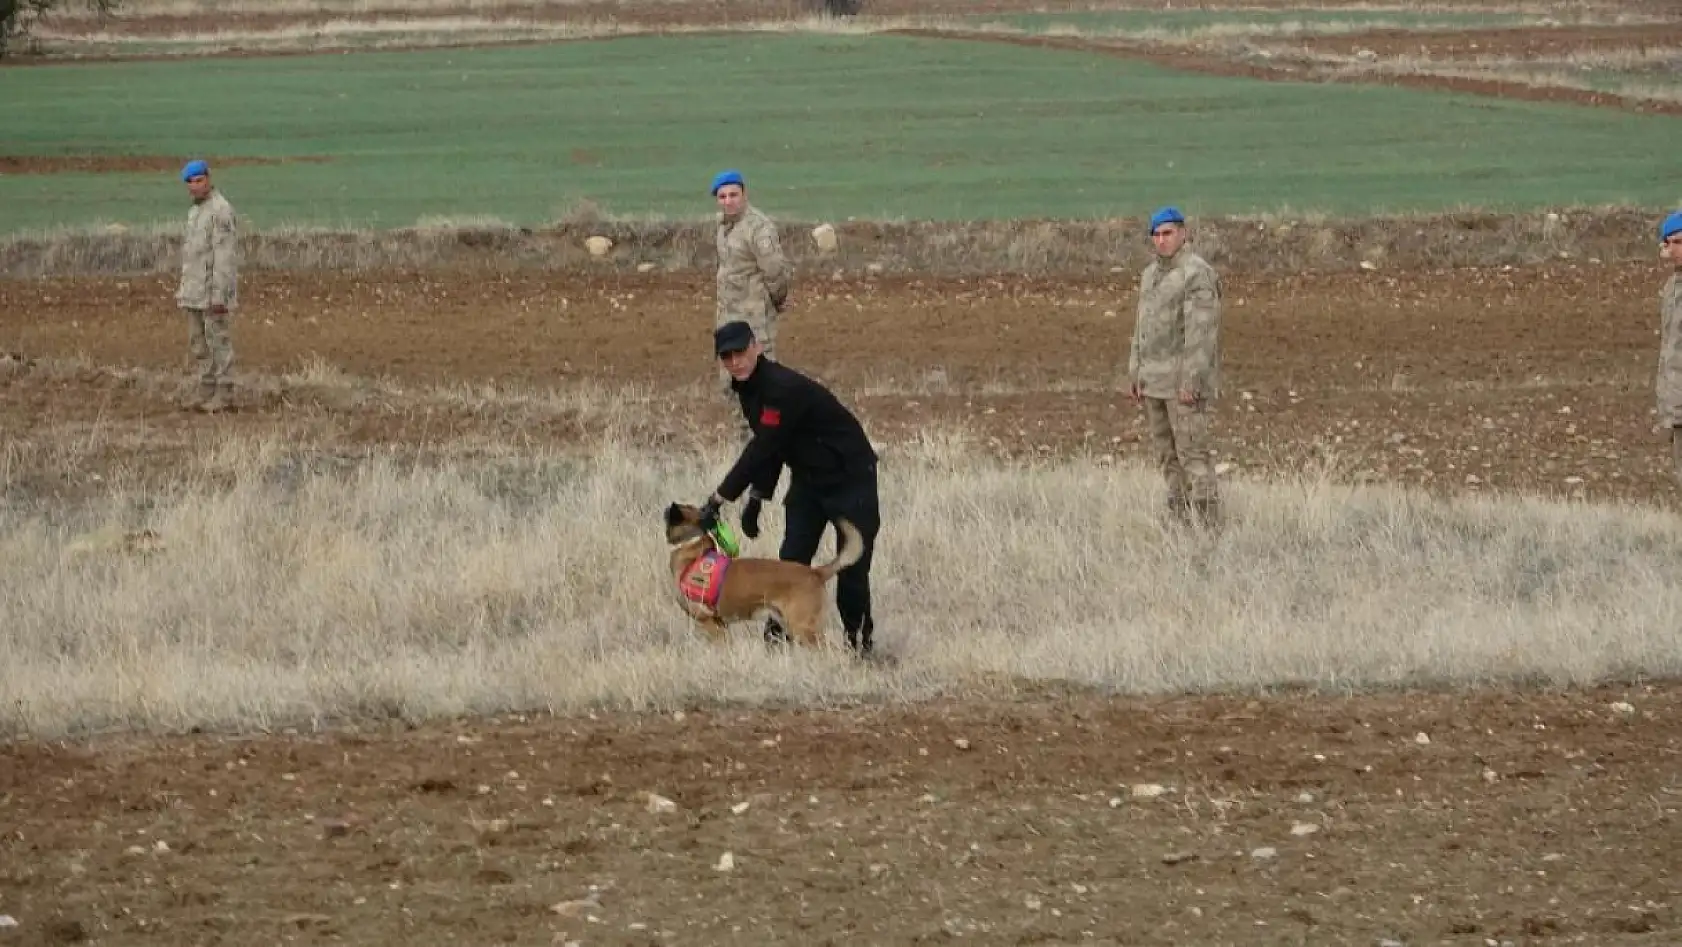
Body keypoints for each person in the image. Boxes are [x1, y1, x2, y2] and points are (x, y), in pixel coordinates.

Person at [698, 320, 882, 657]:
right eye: (727, 357)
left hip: (849, 476)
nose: (735, 361)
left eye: (740, 352)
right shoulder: (749, 390)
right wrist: (757, 496)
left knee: (852, 569)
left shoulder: (780, 387)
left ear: (757, 347)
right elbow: (776, 446)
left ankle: (860, 649)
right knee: (790, 562)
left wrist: (721, 496)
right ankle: (778, 647)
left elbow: (763, 446)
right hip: (808, 480)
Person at [1127, 206, 1223, 526]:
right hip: (1153, 381)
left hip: (1181, 384)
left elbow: (1202, 333)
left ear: (1183, 233)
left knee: (1193, 456)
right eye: (1156, 234)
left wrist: (1192, 381)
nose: (1162, 240)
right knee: (1167, 458)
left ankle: (1208, 526)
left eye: (1168, 233)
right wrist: (1135, 370)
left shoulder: (1196, 274)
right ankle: (1179, 523)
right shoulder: (1150, 276)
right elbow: (1141, 326)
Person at [711, 169, 790, 402]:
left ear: (744, 194)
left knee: (760, 382)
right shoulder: (724, 226)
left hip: (754, 321)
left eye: (733, 195)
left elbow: (774, 270)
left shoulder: (758, 228)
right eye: (722, 196)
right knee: (731, 385)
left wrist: (778, 300)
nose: (728, 201)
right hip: (728, 317)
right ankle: (744, 436)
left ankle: (767, 436)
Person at [173, 158, 240, 413]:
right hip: (193, 291)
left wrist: (220, 296)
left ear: (208, 179)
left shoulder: (220, 211)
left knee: (218, 341)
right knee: (198, 344)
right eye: (190, 182)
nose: (195, 186)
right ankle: (206, 390)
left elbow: (224, 257)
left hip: (213, 293)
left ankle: (225, 394)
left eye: (199, 180)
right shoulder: (195, 213)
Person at [1656, 210, 1682, 483]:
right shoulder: (1672, 287)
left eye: (1681, 242)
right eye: (1670, 243)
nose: (1673, 249)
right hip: (1676, 404)